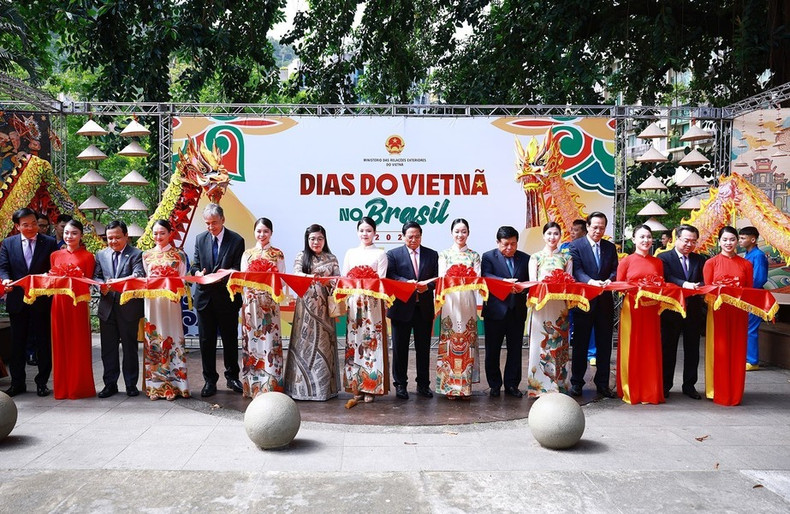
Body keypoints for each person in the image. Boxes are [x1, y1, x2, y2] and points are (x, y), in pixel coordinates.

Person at [0, 207, 57, 396]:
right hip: (17, 300)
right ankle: (18, 383)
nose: (31, 227)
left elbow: (54, 269)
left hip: (41, 300)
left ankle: (42, 382)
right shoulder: (8, 243)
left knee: (43, 343)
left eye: (34, 223)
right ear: (17, 227)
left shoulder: (49, 243)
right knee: (17, 344)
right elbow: (4, 267)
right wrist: (6, 279)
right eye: (26, 225)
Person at [191, 203, 245, 397]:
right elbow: (194, 265)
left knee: (230, 340)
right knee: (206, 342)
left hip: (227, 298)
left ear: (223, 220)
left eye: (214, 222)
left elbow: (239, 268)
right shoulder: (200, 239)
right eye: (207, 223)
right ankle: (209, 381)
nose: (211, 227)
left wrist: (228, 273)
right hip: (205, 298)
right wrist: (197, 272)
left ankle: (232, 377)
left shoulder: (236, 240)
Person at [284, 224, 341, 401]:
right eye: (312, 239)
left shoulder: (331, 258)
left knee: (324, 347)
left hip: (324, 311)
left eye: (319, 238)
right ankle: (300, 390)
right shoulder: (302, 256)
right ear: (307, 240)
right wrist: (312, 278)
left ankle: (324, 391)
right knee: (303, 346)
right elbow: (296, 275)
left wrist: (328, 282)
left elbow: (338, 281)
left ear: (325, 240)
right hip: (305, 311)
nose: (316, 242)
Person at [386, 221, 439, 400]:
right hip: (401, 308)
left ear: (421, 236)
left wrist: (428, 286)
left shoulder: (432, 255)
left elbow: (437, 279)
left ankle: (423, 385)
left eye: (417, 236)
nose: (414, 239)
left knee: (423, 349)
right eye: (410, 236)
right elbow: (390, 275)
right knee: (400, 349)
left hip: (423, 308)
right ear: (403, 237)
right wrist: (405, 283)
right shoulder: (393, 255)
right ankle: (400, 385)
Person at [568, 211, 618, 398]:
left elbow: (615, 269)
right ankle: (577, 383)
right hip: (584, 301)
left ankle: (603, 384)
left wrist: (609, 280)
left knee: (605, 345)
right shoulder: (576, 246)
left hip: (605, 302)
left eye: (602, 227)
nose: (598, 230)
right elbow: (577, 271)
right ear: (588, 226)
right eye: (595, 227)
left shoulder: (609, 247)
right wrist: (591, 282)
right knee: (580, 344)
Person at [94, 220, 145, 398]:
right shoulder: (101, 254)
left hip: (128, 307)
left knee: (130, 348)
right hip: (107, 307)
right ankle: (110, 384)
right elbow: (97, 276)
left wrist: (116, 283)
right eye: (110, 238)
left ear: (126, 236)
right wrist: (100, 285)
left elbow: (138, 275)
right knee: (108, 348)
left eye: (117, 237)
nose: (113, 241)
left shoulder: (137, 254)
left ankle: (131, 384)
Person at [703, 226, 753, 406]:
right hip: (718, 312)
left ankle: (735, 391)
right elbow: (707, 290)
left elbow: (748, 289)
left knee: (738, 351)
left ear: (738, 241)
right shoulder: (711, 263)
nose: (728, 243)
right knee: (720, 350)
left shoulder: (746, 264)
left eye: (732, 239)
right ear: (719, 242)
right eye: (725, 240)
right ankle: (717, 390)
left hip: (739, 312)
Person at [616, 224, 666, 404]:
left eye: (648, 237)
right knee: (633, 347)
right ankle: (632, 389)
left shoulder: (658, 262)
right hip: (632, 309)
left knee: (650, 349)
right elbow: (619, 285)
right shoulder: (626, 261)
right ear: (634, 240)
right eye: (642, 237)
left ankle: (650, 391)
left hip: (652, 310)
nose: (646, 240)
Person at [341, 216, 389, 404]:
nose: (365, 234)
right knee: (355, 344)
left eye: (369, 230)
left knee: (371, 343)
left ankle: (371, 386)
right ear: (357, 232)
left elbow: (382, 282)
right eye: (362, 230)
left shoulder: (380, 254)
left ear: (375, 233)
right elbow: (345, 279)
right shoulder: (350, 253)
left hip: (373, 305)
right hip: (354, 304)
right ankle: (356, 385)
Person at [141, 220, 190, 400]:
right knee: (154, 339)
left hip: (171, 302)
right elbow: (147, 278)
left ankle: (176, 386)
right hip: (152, 302)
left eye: (162, 233)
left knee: (172, 337)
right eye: (155, 233)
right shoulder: (146, 255)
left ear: (170, 233)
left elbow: (183, 279)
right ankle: (155, 387)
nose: (158, 237)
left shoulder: (179, 255)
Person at [435, 218, 482, 399]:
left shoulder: (474, 256)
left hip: (468, 301)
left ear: (468, 233)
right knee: (449, 341)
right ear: (451, 233)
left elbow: (477, 279)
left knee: (467, 341)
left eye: (463, 231)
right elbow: (442, 278)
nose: (460, 235)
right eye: (457, 231)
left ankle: (465, 387)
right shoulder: (444, 255)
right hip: (450, 302)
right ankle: (448, 386)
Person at [481, 225, 530, 398]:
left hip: (516, 311)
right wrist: (504, 283)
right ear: (498, 243)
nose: (509, 248)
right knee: (492, 350)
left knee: (515, 350)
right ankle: (494, 384)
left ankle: (512, 384)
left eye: (513, 244)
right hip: (495, 311)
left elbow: (530, 282)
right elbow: (486, 277)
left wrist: (521, 288)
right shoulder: (488, 257)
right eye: (505, 244)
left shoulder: (526, 258)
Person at [658, 225, 706, 400]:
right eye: (686, 240)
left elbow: (704, 279)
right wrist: (685, 284)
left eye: (693, 241)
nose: (689, 244)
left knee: (693, 349)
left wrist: (700, 285)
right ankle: (665, 385)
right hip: (671, 311)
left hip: (693, 310)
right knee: (668, 348)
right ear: (676, 238)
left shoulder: (699, 260)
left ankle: (689, 385)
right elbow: (667, 277)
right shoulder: (664, 258)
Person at [240, 217, 286, 397]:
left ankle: (271, 385)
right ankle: (251, 385)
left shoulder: (277, 254)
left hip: (269, 304)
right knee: (252, 341)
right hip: (251, 302)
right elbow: (243, 280)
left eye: (265, 231)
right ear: (254, 232)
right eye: (259, 231)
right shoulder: (247, 254)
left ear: (271, 233)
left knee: (269, 341)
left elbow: (281, 278)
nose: (262, 234)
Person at [50, 220, 96, 399]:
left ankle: (80, 387)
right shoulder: (55, 255)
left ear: (81, 235)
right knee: (60, 343)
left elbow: (89, 282)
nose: (70, 236)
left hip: (78, 303)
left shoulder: (88, 256)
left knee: (78, 343)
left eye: (74, 233)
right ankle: (62, 388)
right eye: (67, 233)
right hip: (58, 303)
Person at [526, 222, 572, 397]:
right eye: (549, 234)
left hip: (560, 307)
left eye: (556, 234)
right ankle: (537, 387)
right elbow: (533, 283)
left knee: (560, 346)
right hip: (542, 306)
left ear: (560, 236)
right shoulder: (535, 257)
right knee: (540, 343)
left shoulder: (566, 258)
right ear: (544, 236)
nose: (552, 237)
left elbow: (570, 283)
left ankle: (559, 385)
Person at [738, 226, 769, 371]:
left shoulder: (758, 255)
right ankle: (747, 358)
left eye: (743, 238)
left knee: (750, 328)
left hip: (754, 296)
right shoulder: (748, 254)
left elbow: (760, 278)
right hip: (747, 295)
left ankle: (752, 360)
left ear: (753, 239)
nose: (740, 241)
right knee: (745, 327)